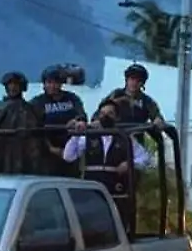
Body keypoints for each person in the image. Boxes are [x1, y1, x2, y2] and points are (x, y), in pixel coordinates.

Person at [58, 97, 152, 234]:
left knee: (115, 225)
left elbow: (146, 158)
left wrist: (130, 163)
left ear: (117, 117)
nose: (105, 117)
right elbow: (68, 156)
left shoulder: (124, 138)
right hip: (92, 189)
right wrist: (77, 134)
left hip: (115, 189)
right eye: (102, 114)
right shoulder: (89, 136)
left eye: (110, 114)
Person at [0, 71, 45, 174]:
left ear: (22, 87)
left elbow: (39, 131)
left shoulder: (31, 108)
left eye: (16, 84)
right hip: (2, 155)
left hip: (26, 156)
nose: (13, 87)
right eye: (10, 84)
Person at [29, 66, 88, 177]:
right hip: (47, 153)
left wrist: (77, 121)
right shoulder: (37, 102)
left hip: (72, 149)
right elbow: (35, 128)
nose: (52, 86)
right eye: (49, 82)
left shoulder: (72, 98)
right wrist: (50, 148)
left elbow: (81, 115)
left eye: (56, 82)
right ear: (44, 84)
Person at [95, 63, 166, 127]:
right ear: (127, 79)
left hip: (137, 136)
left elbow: (157, 117)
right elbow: (99, 113)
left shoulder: (146, 101)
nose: (134, 83)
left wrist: (158, 120)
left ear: (143, 83)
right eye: (132, 79)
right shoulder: (116, 94)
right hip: (116, 135)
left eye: (138, 81)